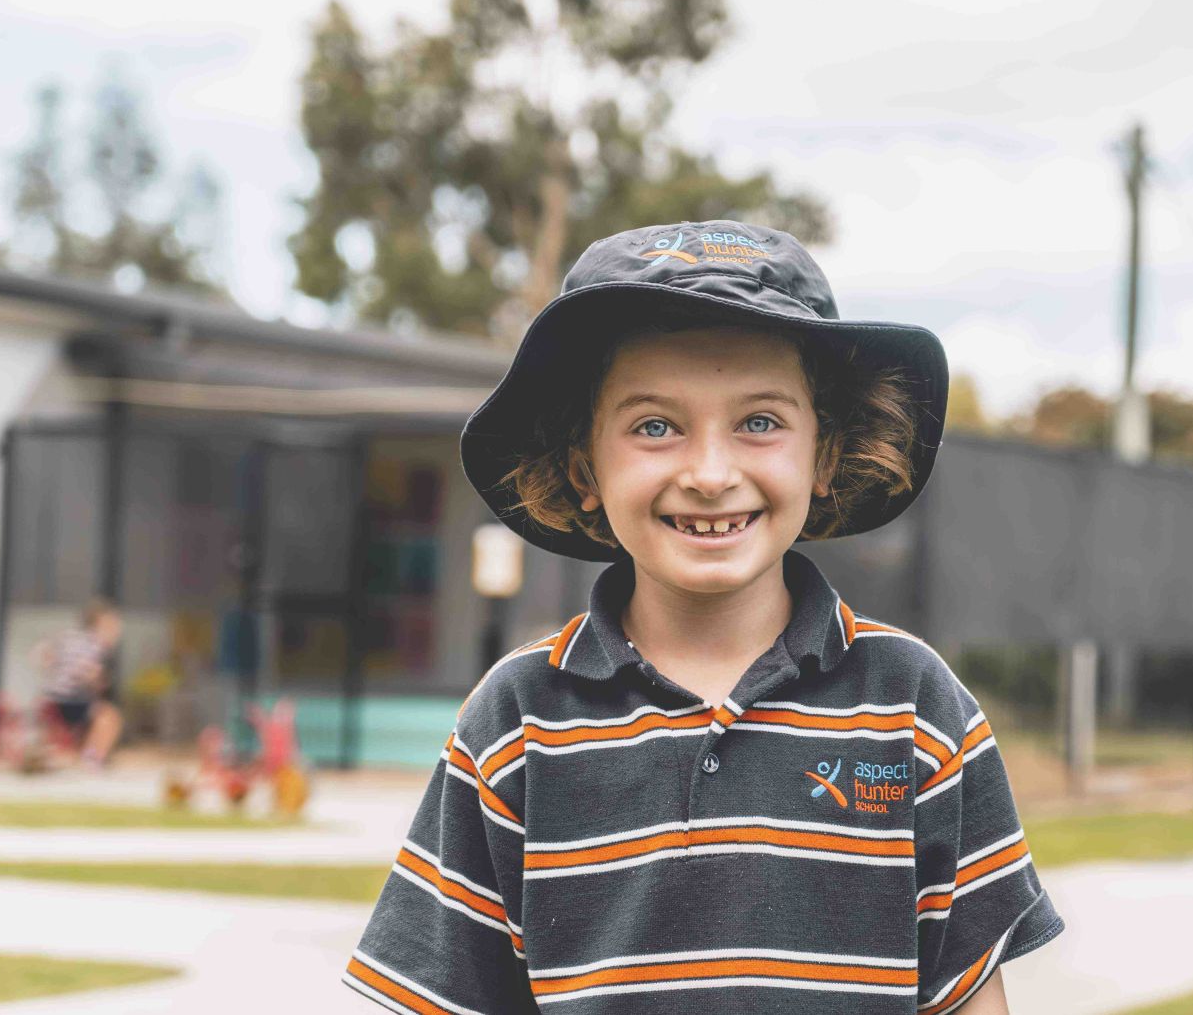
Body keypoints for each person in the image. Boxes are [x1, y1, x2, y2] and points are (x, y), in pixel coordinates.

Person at [343, 221, 1065, 1014]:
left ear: (825, 454)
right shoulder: (516, 723)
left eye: (760, 422)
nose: (712, 474)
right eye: (655, 426)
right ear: (585, 465)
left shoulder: (917, 709)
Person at [34, 596, 125, 769]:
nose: (117, 633)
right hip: (72, 700)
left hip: (50, 699)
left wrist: (52, 669)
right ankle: (92, 758)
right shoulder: (95, 645)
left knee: (88, 717)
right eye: (114, 627)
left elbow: (42, 654)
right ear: (100, 625)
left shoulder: (69, 637)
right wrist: (98, 681)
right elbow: (89, 674)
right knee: (109, 717)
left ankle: (62, 755)